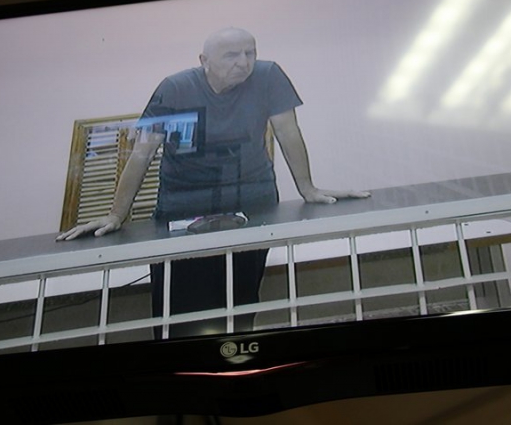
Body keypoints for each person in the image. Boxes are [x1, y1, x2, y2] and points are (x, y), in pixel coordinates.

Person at [57, 27, 369, 337]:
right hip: (183, 207)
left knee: (240, 305)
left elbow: (288, 132)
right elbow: (143, 152)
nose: (243, 62)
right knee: (178, 311)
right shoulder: (175, 88)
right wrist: (116, 213)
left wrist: (307, 188)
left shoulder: (268, 76)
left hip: (251, 204)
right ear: (204, 60)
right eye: (231, 55)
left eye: (250, 53)